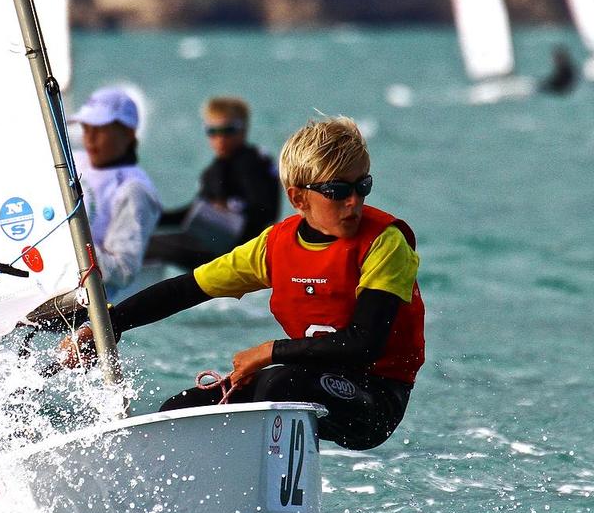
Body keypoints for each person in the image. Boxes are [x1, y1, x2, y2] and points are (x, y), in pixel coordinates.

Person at [63, 116, 425, 451]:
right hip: (304, 379)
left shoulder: (384, 242)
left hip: (375, 398)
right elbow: (185, 289)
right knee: (179, 412)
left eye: (363, 185)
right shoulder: (276, 246)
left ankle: (269, 497)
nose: (354, 201)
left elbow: (364, 343)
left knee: (277, 386)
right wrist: (107, 325)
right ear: (298, 197)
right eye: (337, 190)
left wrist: (270, 351)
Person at [145, 96, 280, 269]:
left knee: (145, 245)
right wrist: (153, 219)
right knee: (147, 240)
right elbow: (194, 213)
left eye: (228, 130)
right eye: (213, 131)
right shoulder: (215, 170)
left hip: (234, 252)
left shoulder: (251, 163)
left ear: (244, 129)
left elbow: (265, 211)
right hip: (214, 244)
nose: (220, 138)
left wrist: (232, 208)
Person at [69, 87, 161, 301]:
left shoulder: (134, 189)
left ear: (128, 133)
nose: (90, 138)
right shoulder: (71, 161)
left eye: (100, 130)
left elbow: (123, 270)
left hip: (90, 305)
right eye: (86, 128)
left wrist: (68, 249)